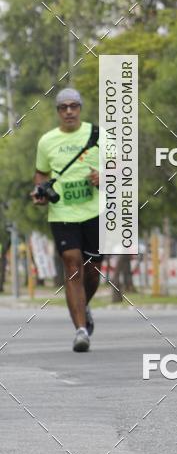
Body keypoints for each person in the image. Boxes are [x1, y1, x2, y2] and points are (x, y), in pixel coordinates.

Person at [31, 88, 102, 353]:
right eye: (63, 107)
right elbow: (40, 174)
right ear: (58, 112)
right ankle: (81, 331)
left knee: (93, 271)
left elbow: (122, 168)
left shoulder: (98, 135)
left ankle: (83, 307)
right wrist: (39, 192)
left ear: (80, 108)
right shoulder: (46, 141)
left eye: (74, 106)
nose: (69, 111)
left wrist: (104, 175)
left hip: (95, 212)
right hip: (62, 214)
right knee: (73, 266)